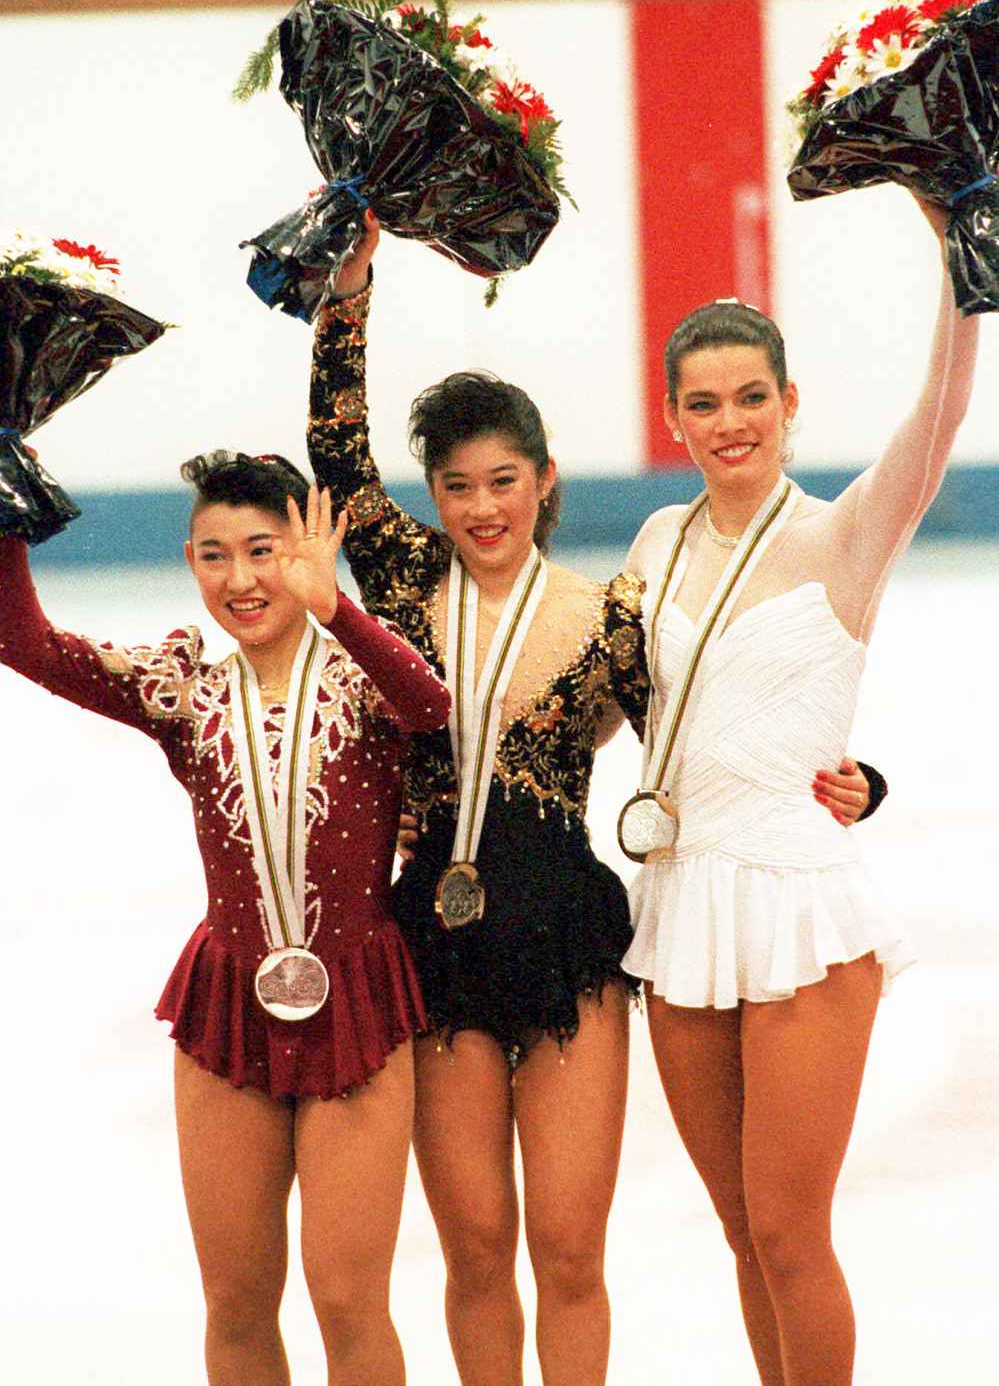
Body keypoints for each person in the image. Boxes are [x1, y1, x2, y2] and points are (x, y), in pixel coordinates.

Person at [305, 213, 881, 1386]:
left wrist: (864, 779)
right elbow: (337, 457)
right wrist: (347, 297)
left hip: (572, 934)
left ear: (545, 480)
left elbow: (722, 712)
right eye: (456, 486)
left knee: (570, 1249)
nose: (481, 507)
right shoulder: (407, 588)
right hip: (441, 948)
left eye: (504, 480)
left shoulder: (608, 611)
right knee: (474, 1248)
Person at [623, 195, 978, 1386]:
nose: (732, 423)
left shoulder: (845, 536)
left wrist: (955, 247)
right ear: (674, 417)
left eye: (753, 398)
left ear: (789, 405)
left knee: (788, 1225)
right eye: (705, 402)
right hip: (679, 902)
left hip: (798, 907)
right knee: (737, 1231)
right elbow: (650, 719)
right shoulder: (652, 545)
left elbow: (938, 419)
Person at [0, 450, 450, 1386]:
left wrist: (339, 608)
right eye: (214, 555)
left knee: (346, 1298)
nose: (241, 580)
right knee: (237, 1301)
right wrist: (5, 515)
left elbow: (430, 702)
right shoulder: (185, 690)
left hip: (358, 1000)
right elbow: (28, 645)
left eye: (264, 550)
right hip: (228, 1004)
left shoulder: (363, 673)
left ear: (307, 549)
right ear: (189, 558)